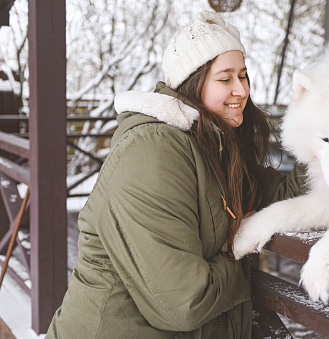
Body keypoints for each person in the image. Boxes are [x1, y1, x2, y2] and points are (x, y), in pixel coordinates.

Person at [46, 10, 307, 339]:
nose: (241, 90)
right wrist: (237, 247)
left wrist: (327, 138)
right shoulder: (153, 153)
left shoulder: (219, 148)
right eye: (225, 79)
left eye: (244, 76)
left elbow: (285, 194)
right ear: (192, 84)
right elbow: (185, 303)